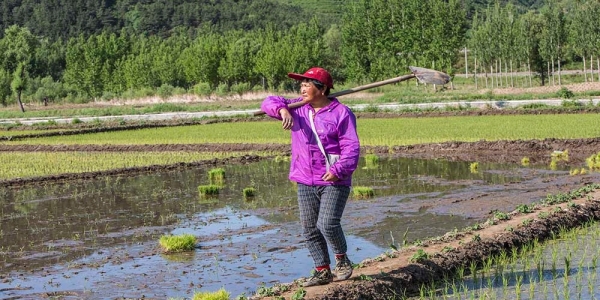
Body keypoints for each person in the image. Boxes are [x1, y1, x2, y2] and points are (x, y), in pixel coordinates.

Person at [261, 67, 361, 287]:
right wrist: (282, 110)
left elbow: (351, 148)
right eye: (302, 84)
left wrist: (337, 171)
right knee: (309, 228)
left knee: (327, 223)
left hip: (334, 179)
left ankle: (342, 260)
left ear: (323, 89)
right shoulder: (298, 108)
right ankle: (322, 270)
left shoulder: (341, 113)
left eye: (308, 84)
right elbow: (268, 101)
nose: (302, 88)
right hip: (305, 178)